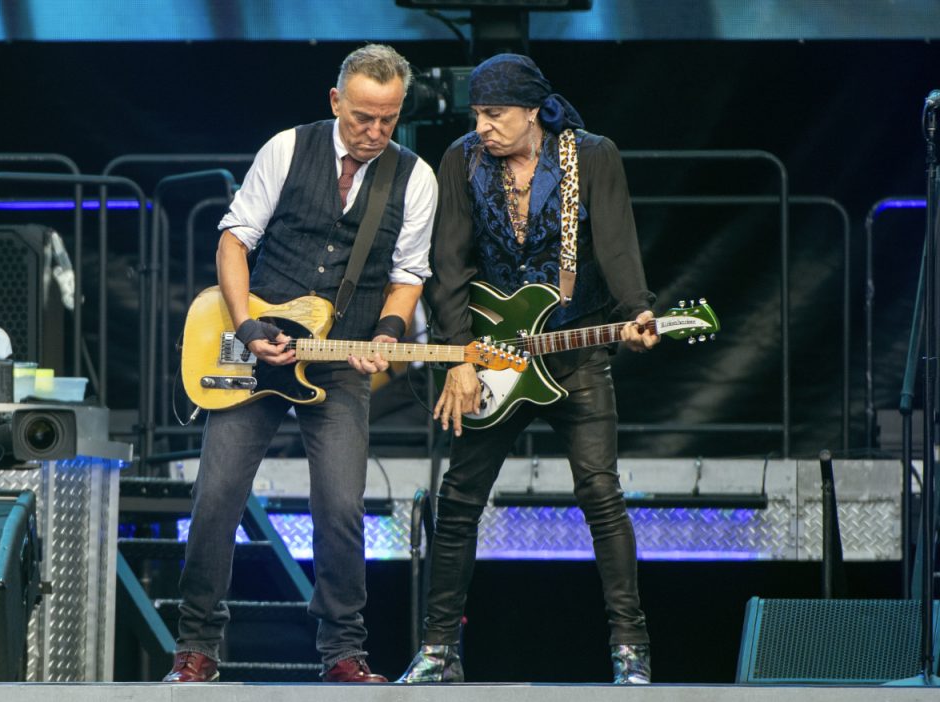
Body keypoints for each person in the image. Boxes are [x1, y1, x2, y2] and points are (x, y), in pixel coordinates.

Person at [163, 44, 437, 684]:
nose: (374, 131)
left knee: (340, 506)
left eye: (388, 119)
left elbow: (408, 275)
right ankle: (196, 647)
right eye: (362, 116)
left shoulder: (415, 177)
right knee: (215, 497)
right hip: (256, 348)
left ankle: (343, 653)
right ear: (336, 101)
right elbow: (235, 241)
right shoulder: (286, 148)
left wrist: (388, 334)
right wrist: (246, 326)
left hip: (338, 360)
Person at [398, 53, 658, 685]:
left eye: (494, 114)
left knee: (601, 494)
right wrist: (460, 355)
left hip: (574, 353)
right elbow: (449, 264)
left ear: (533, 111)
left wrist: (637, 311)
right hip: (490, 355)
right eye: (476, 114)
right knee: (459, 500)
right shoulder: (461, 159)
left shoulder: (590, 156)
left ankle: (631, 652)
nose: (482, 127)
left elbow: (617, 245)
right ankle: (438, 652)